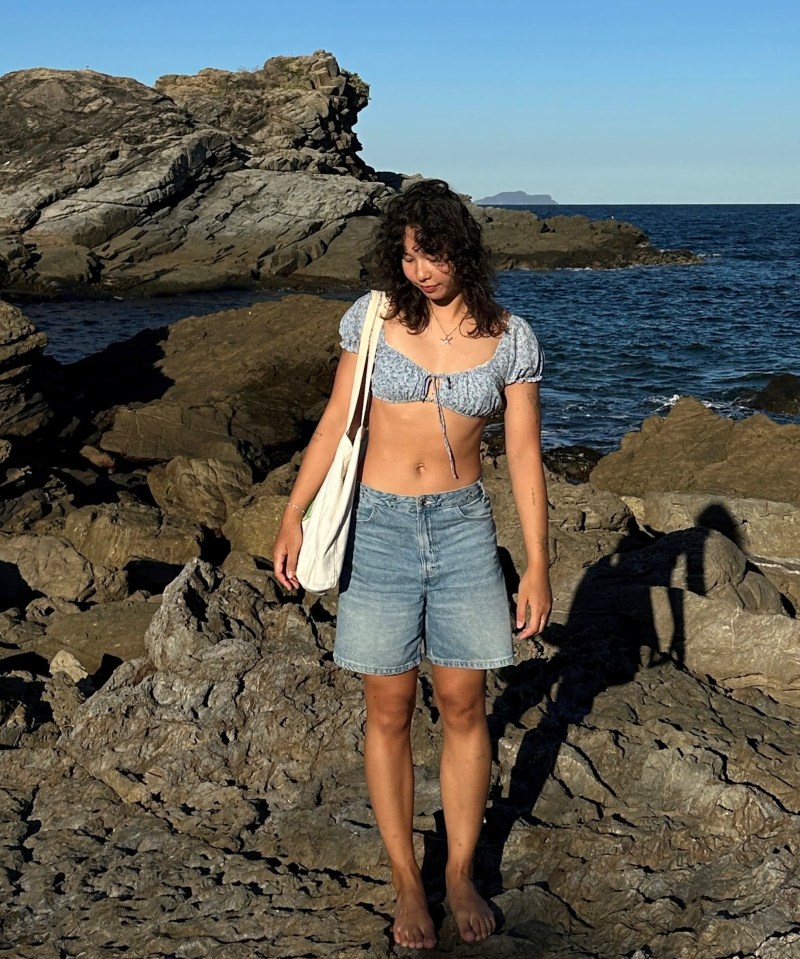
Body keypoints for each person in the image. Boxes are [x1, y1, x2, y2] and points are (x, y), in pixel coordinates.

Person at [272, 179, 551, 949]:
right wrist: (292, 513)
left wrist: (537, 564)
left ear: (461, 249)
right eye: (408, 255)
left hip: (464, 528)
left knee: (465, 705)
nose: (421, 269)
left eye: (432, 253)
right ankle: (405, 880)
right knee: (388, 710)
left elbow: (524, 458)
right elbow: (336, 420)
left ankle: (459, 871)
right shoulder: (373, 320)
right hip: (381, 527)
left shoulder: (511, 339)